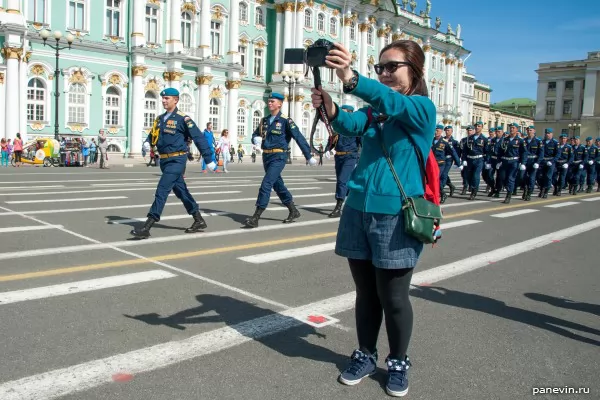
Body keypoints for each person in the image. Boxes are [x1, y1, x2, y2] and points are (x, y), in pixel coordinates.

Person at [311, 40, 435, 397]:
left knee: (393, 297)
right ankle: (365, 353)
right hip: (358, 209)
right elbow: (349, 124)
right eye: (379, 67)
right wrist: (330, 106)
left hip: (396, 215)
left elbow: (391, 102)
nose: (384, 73)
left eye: (391, 67)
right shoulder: (374, 112)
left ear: (414, 71)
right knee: (366, 293)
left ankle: (398, 360)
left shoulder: (420, 108)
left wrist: (352, 78)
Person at [130, 88, 216, 239]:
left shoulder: (183, 119)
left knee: (162, 190)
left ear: (175, 100)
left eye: (167, 98)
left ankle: (147, 226)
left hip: (177, 160)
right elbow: (153, 135)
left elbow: (199, 138)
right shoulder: (160, 119)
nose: (163, 100)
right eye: (163, 98)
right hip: (164, 160)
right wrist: (146, 143)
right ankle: (198, 219)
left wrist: (209, 159)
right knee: (181, 191)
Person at [242, 92, 317, 228]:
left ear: (280, 104)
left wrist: (308, 156)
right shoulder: (264, 120)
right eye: (269, 101)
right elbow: (255, 134)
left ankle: (256, 216)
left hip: (279, 156)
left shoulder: (285, 121)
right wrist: (255, 139)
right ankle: (293, 210)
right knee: (278, 185)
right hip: (266, 156)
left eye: (272, 101)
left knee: (266, 184)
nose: (269, 103)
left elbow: (298, 137)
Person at [325, 105, 362, 217]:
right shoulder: (338, 127)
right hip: (339, 157)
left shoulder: (355, 127)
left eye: (344, 112)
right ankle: (354, 202)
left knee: (342, 181)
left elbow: (362, 143)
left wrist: (360, 159)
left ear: (350, 113)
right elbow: (332, 140)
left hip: (350, 156)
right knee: (343, 182)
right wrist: (328, 149)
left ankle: (338, 207)